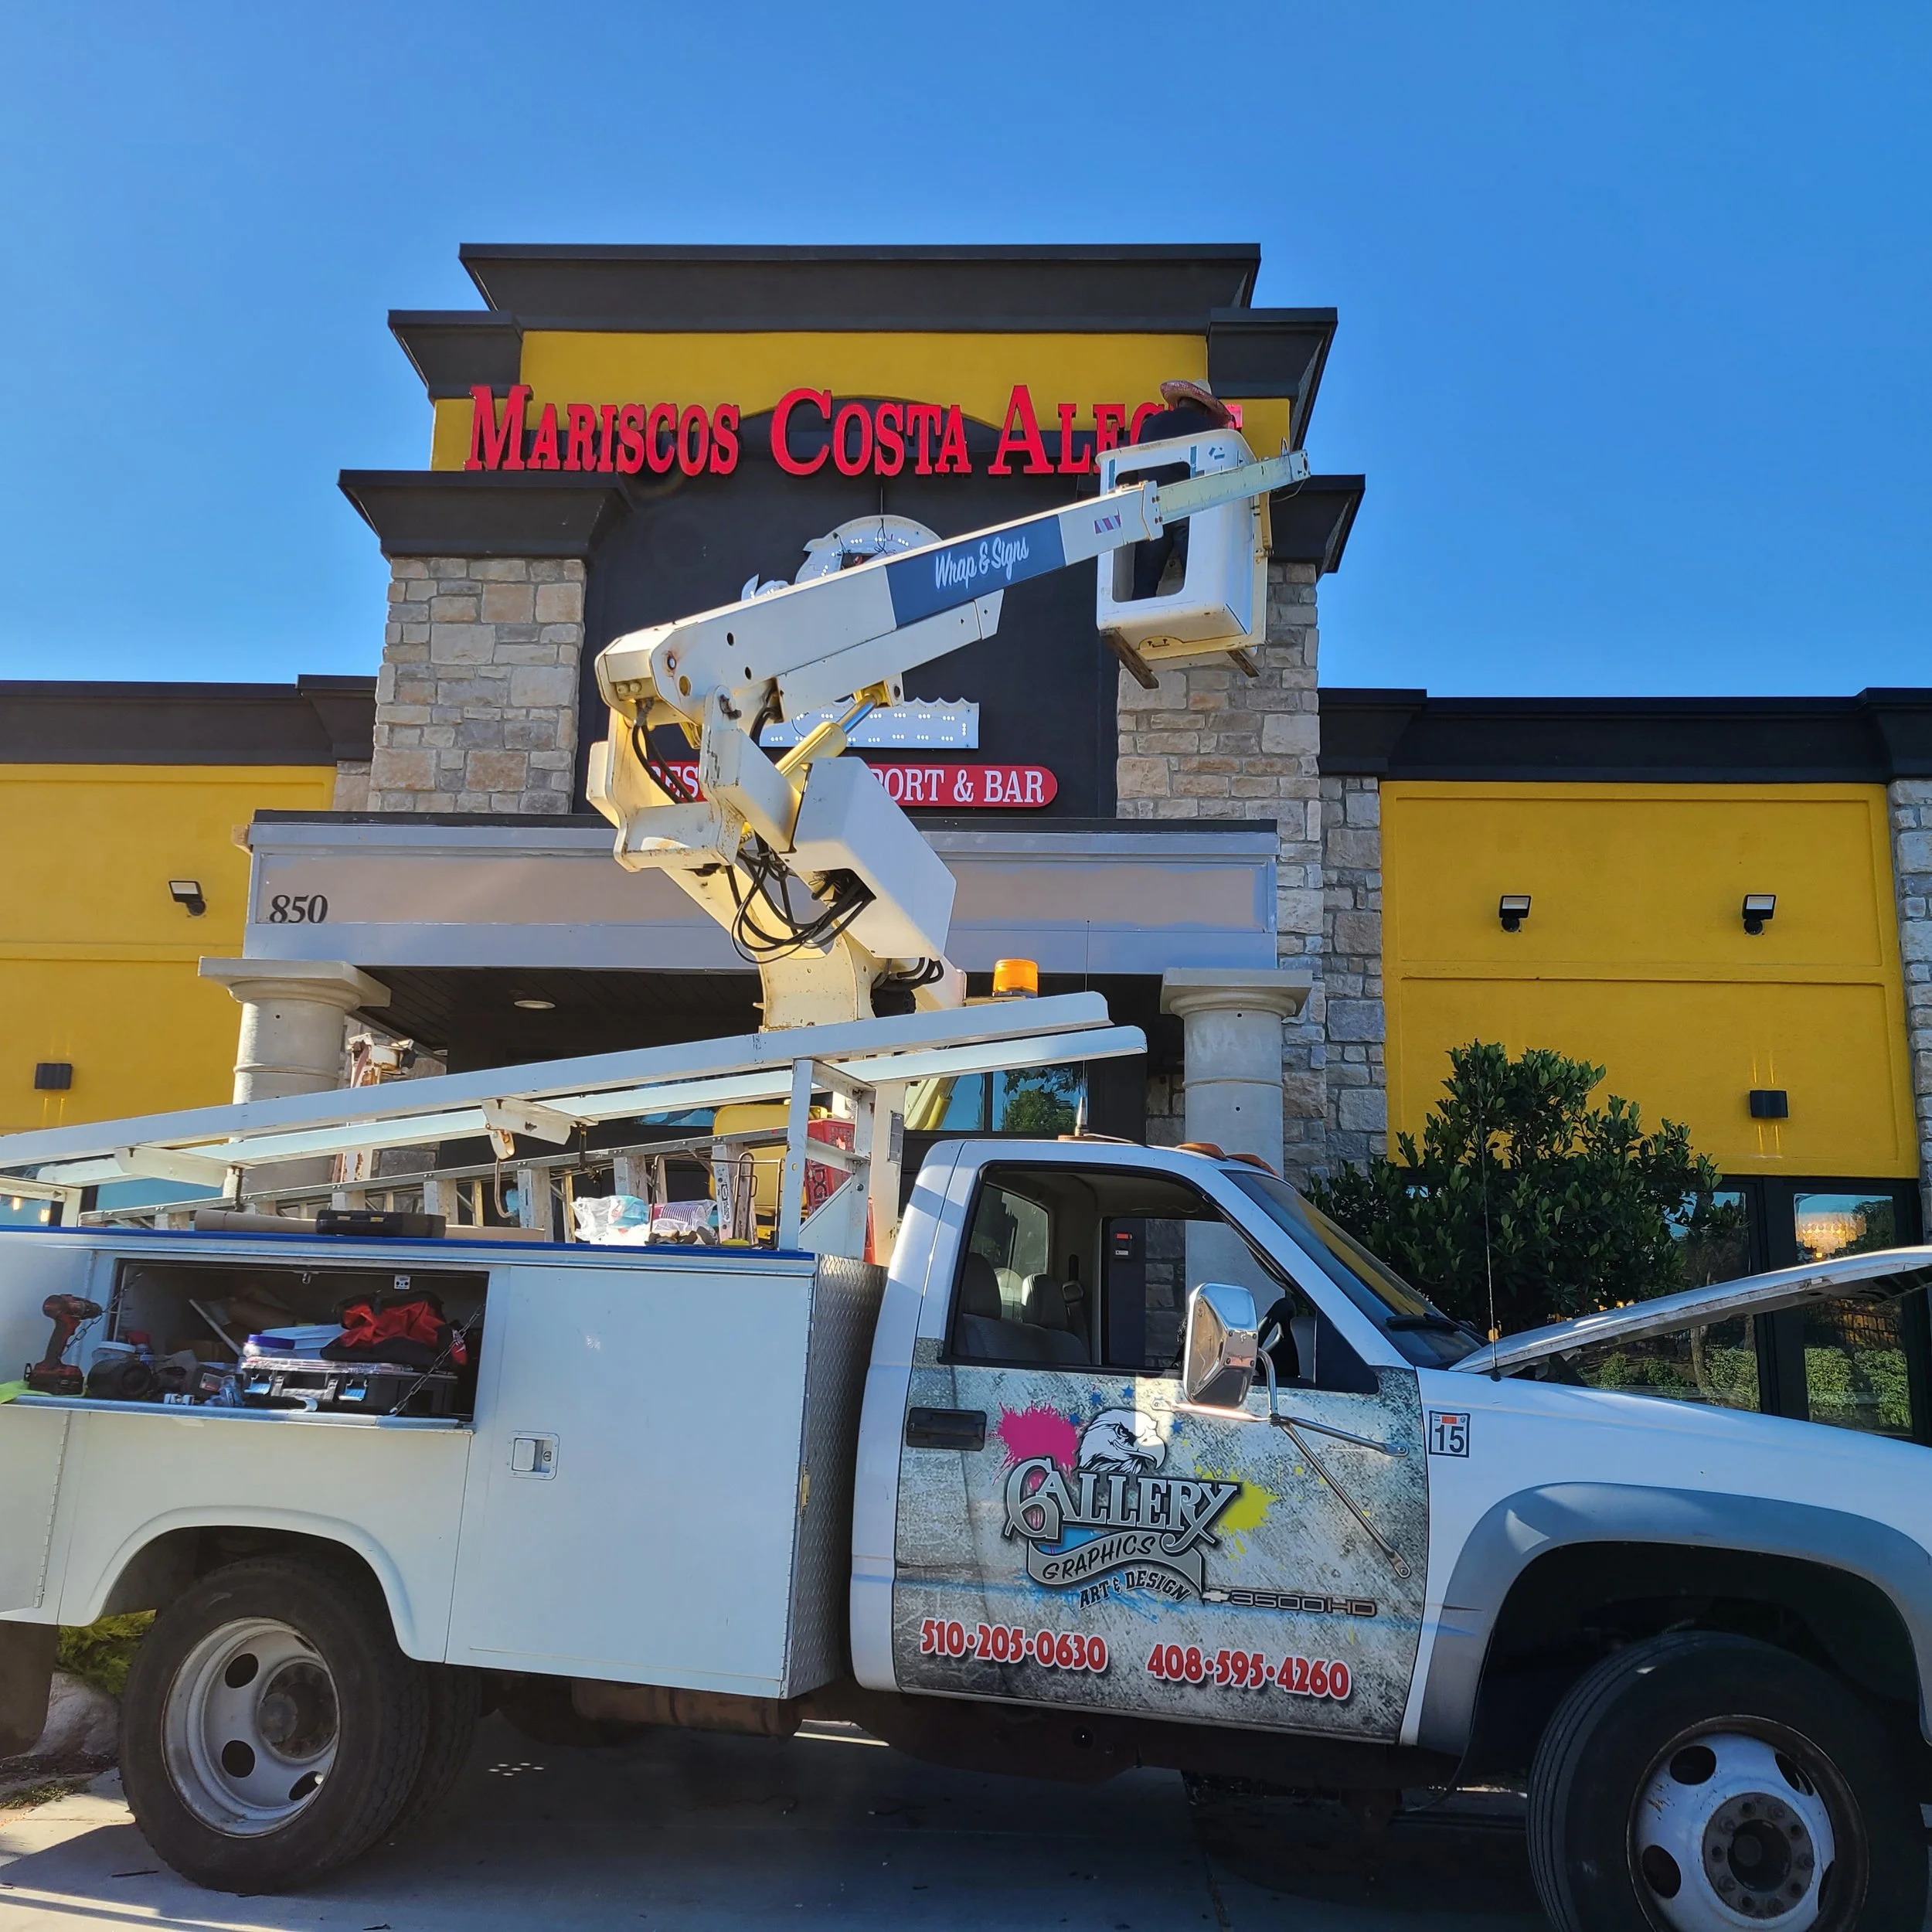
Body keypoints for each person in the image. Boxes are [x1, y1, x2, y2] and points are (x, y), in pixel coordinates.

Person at [1126, 379, 1235, 601]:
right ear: (1205, 409)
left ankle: (1139, 611)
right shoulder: (1209, 431)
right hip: (1189, 508)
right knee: (1198, 584)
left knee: (1145, 585)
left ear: (1179, 402)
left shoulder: (1151, 425)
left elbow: (1136, 468)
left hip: (1151, 509)